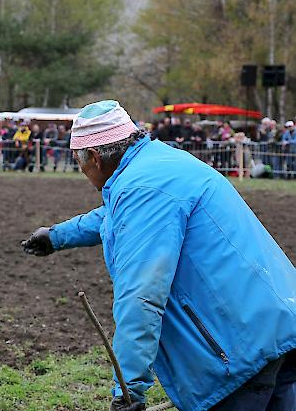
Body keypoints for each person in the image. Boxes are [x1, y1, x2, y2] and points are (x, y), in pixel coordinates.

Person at [21, 100, 296, 411]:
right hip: (274, 322)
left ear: (95, 158)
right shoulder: (158, 165)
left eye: (79, 162)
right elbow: (116, 214)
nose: (82, 171)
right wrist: (57, 236)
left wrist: (129, 388)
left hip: (237, 347)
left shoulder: (144, 189)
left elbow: (140, 296)